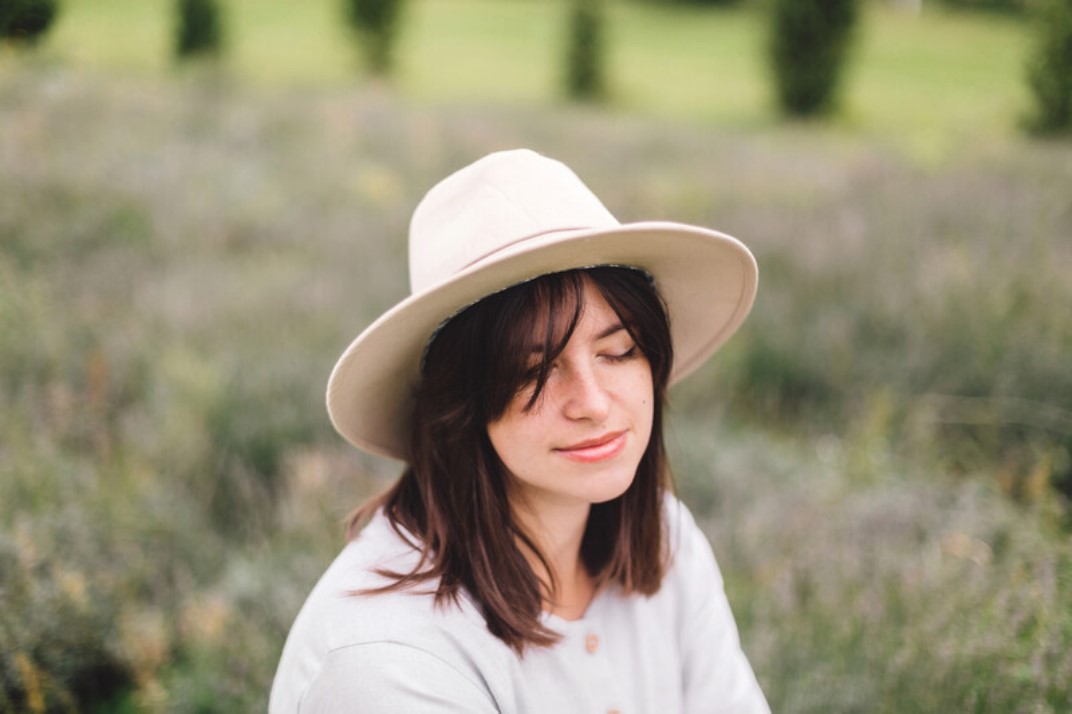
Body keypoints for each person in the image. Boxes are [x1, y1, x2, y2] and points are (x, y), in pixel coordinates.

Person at [270, 149, 769, 713]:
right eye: (535, 370)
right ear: (462, 402)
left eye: (619, 350)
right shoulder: (391, 656)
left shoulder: (665, 537)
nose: (593, 403)